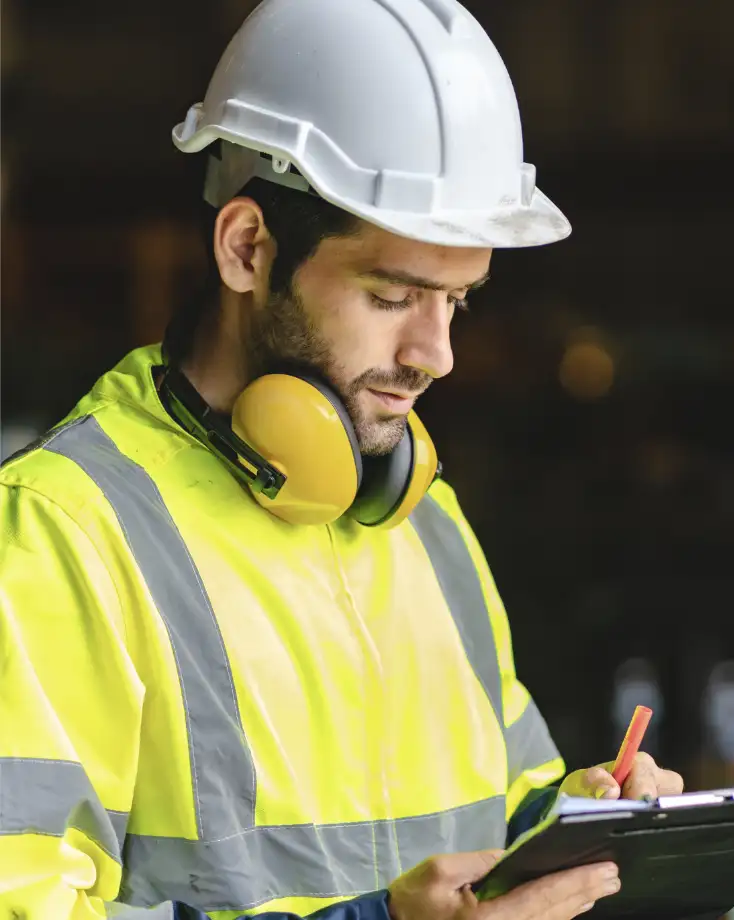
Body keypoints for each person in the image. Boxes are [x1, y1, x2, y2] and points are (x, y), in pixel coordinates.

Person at [0, 1, 683, 918]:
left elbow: (490, 816)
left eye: (459, 301)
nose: (435, 354)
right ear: (248, 248)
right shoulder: (62, 533)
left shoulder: (423, 517)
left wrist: (581, 831)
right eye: (392, 293)